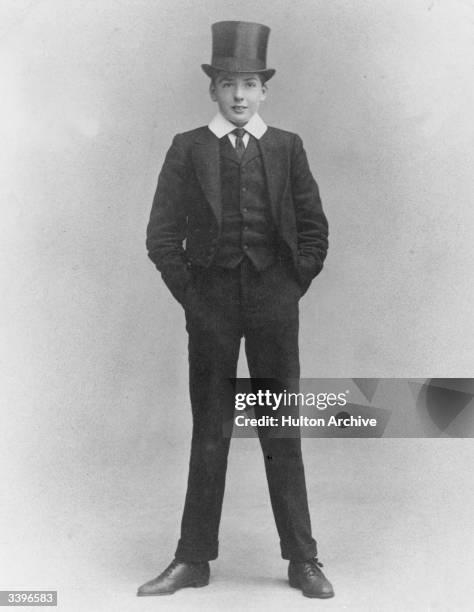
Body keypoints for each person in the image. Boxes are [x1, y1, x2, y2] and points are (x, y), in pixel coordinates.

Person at [138, 20, 334, 599]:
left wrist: (289, 286)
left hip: (274, 302)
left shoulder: (287, 146)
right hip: (213, 306)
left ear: (265, 90)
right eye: (229, 84)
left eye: (250, 83)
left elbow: (315, 232)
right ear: (213, 90)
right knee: (211, 431)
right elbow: (161, 236)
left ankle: (303, 558)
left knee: (281, 430)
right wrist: (195, 299)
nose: (240, 96)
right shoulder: (187, 148)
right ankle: (192, 559)